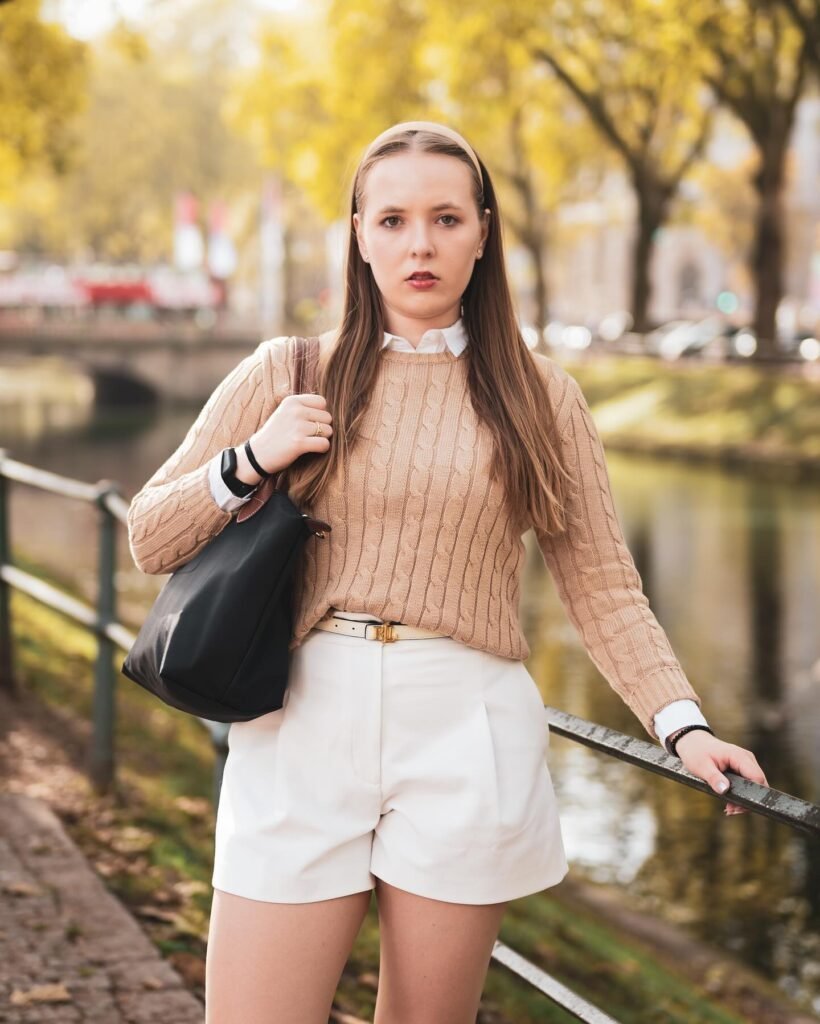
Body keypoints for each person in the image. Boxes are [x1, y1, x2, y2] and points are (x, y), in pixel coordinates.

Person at [126, 120, 769, 1024]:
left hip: (466, 731)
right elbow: (149, 536)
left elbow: (603, 584)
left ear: (483, 231)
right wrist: (252, 459)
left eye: (444, 218)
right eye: (390, 220)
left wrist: (682, 725)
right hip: (302, 721)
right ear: (357, 234)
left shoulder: (541, 397)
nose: (419, 243)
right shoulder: (287, 369)